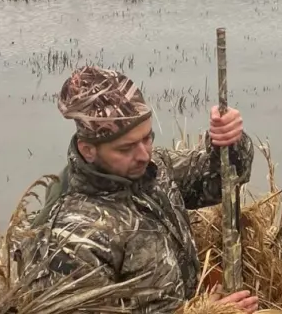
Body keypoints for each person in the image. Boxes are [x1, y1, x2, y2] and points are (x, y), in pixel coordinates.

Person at [17, 65, 261, 313]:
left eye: (147, 138)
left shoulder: (154, 170)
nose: (144, 155)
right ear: (88, 150)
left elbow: (220, 182)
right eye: (126, 148)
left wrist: (228, 141)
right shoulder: (71, 237)